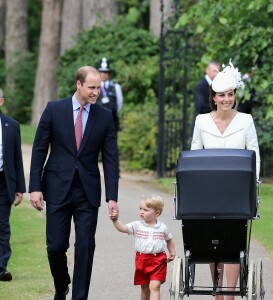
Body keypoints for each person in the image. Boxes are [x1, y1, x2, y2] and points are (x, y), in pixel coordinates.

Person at [29, 66, 119, 300]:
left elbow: (110, 159)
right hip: (57, 187)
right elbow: (39, 149)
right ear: (78, 84)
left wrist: (112, 197)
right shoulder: (54, 110)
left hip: (87, 191)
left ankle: (80, 297)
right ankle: (61, 285)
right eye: (91, 87)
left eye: (98, 88)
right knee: (56, 247)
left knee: (85, 247)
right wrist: (35, 187)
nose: (96, 92)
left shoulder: (105, 116)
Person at [191, 60, 260, 300]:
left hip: (237, 191)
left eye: (230, 94)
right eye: (221, 95)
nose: (226, 99)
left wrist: (253, 186)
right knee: (213, 246)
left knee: (233, 244)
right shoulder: (202, 121)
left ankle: (229, 296)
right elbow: (194, 156)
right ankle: (218, 293)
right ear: (214, 97)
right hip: (208, 192)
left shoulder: (246, 120)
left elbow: (254, 156)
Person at [111, 194, 176, 300]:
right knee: (145, 288)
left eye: (145, 210)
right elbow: (122, 228)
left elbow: (169, 239)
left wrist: (172, 251)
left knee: (154, 286)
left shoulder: (162, 227)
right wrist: (115, 220)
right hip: (142, 260)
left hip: (158, 260)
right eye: (140, 208)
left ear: (156, 213)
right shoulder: (137, 225)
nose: (141, 211)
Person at [0, 88, 26, 282]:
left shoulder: (12, 126)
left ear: (1, 102)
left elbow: (17, 158)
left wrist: (19, 187)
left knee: (2, 226)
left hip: (3, 181)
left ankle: (1, 268)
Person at [96, 57, 123, 133]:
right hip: (97, 122)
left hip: (112, 122)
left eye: (106, 72)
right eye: (101, 72)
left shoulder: (115, 87)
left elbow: (119, 104)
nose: (104, 74)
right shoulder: (93, 87)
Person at [192, 61, 220, 131]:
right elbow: (200, 107)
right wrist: (218, 107)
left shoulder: (218, 85)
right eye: (214, 71)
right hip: (202, 126)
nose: (217, 74)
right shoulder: (200, 85)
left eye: (218, 71)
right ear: (207, 70)